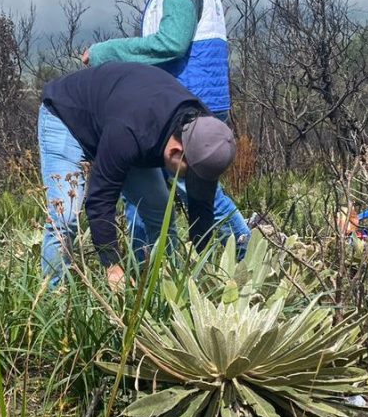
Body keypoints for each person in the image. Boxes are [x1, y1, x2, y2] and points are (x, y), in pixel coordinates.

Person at [81, 0, 250, 257]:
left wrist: (106, 52)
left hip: (189, 104)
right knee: (177, 186)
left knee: (194, 187)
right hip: (196, 101)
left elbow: (172, 43)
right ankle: (153, 263)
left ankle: (245, 255)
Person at [39, 61, 236, 289]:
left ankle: (166, 286)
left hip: (121, 118)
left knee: (160, 212)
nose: (191, 182)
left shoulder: (206, 136)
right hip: (66, 115)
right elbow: (100, 198)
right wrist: (111, 265)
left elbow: (202, 205)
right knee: (65, 217)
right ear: (175, 152)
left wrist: (199, 266)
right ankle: (53, 294)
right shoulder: (130, 132)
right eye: (189, 175)